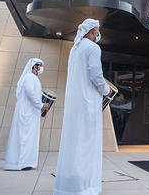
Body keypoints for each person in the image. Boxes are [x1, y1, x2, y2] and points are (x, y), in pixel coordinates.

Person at [54, 19, 112, 195]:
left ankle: (68, 186)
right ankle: (86, 186)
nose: (97, 34)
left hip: (75, 104)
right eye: (96, 31)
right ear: (91, 31)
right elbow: (96, 74)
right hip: (88, 103)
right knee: (87, 142)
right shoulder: (93, 48)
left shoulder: (75, 49)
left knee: (74, 141)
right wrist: (106, 90)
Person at [4, 58, 49, 170]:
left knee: (29, 138)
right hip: (26, 113)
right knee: (24, 137)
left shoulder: (34, 78)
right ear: (34, 66)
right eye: (40, 66)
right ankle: (19, 163)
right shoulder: (29, 77)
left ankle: (26, 162)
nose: (41, 68)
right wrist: (40, 105)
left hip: (32, 113)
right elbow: (30, 93)